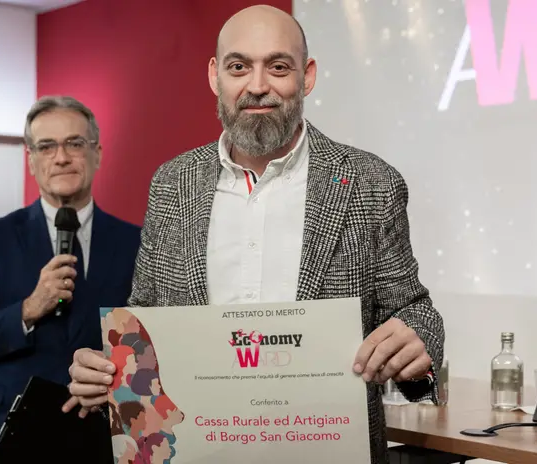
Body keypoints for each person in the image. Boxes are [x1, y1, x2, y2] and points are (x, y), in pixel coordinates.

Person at [64, 5, 445, 462]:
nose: (258, 85)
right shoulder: (172, 183)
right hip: (198, 453)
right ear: (215, 76)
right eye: (239, 66)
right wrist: (108, 370)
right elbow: (145, 316)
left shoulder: (370, 183)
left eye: (278, 66)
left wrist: (421, 336)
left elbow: (412, 308)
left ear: (306, 77)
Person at [0, 95, 142, 463]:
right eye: (46, 146)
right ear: (31, 160)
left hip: (99, 437)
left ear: (97, 153)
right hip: (2, 435)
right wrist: (29, 309)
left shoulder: (137, 241)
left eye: (74, 144)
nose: (61, 157)